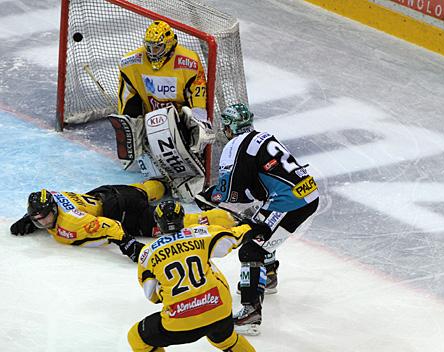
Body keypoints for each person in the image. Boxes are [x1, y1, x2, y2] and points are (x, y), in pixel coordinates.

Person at [196, 103, 320, 335]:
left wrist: (208, 195)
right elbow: (258, 186)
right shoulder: (263, 137)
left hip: (289, 202)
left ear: (231, 126)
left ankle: (251, 313)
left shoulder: (234, 146)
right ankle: (269, 276)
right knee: (259, 225)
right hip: (306, 193)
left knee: (251, 249)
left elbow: (228, 194)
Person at [128, 200, 271, 351]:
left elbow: (151, 295)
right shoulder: (200, 233)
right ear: (182, 217)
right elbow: (234, 237)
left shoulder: (148, 253)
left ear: (157, 222)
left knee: (136, 337)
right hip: (218, 308)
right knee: (226, 340)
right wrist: (252, 228)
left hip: (180, 320)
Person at [109, 20, 214, 201]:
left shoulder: (188, 62)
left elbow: (198, 99)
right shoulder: (131, 62)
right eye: (148, 47)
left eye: (157, 48)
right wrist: (130, 123)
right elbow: (127, 98)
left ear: (170, 44)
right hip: (152, 119)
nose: (151, 52)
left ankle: (189, 156)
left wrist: (199, 124)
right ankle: (146, 152)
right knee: (130, 120)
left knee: (195, 125)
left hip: (179, 120)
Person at [9, 180, 166, 262]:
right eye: (37, 220)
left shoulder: (71, 223)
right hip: (107, 193)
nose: (42, 223)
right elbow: (44, 198)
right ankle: (162, 183)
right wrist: (28, 218)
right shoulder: (52, 197)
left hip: (123, 211)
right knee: (141, 190)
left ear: (54, 209)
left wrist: (127, 243)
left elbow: (110, 225)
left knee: (170, 221)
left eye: (44, 217)